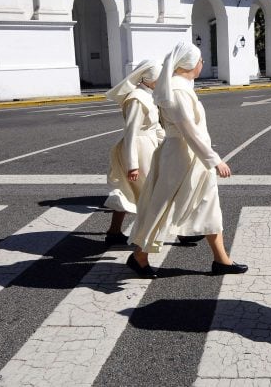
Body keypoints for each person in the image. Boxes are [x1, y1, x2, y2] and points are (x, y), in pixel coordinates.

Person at [126, 41, 248, 278]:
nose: (202, 63)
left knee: (209, 205)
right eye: (201, 60)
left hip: (193, 156)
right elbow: (188, 131)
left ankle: (221, 259)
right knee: (164, 206)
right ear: (192, 63)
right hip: (182, 157)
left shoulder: (180, 86)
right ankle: (139, 256)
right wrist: (215, 160)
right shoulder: (178, 90)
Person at [103, 59, 164, 246]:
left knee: (128, 191)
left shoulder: (149, 95)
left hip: (149, 146)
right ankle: (144, 240)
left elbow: (155, 127)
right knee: (150, 193)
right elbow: (131, 132)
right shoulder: (137, 98)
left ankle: (114, 232)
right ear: (149, 78)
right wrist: (132, 164)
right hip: (138, 149)